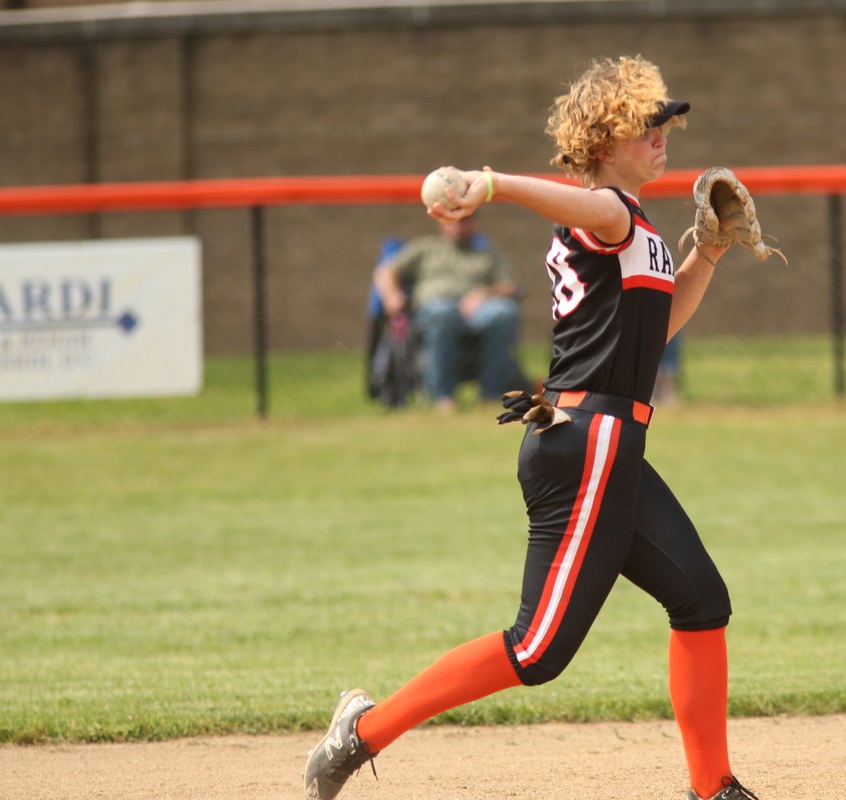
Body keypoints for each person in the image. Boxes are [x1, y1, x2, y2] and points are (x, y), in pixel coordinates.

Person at [304, 55, 758, 800]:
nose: (665, 134)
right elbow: (580, 208)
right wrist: (490, 185)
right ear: (607, 141)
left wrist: (705, 253)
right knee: (537, 650)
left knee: (702, 600)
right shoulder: (608, 210)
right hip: (586, 445)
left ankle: (714, 787)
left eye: (668, 122)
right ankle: (362, 731)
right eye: (649, 125)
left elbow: (656, 328)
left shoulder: (636, 228)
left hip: (612, 444)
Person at [374, 214, 524, 411]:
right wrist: (391, 295)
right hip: (435, 311)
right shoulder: (426, 248)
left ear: (475, 223)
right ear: (442, 222)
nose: (460, 226)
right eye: (455, 220)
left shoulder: (487, 252)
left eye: (467, 220)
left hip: (478, 313)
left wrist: (485, 293)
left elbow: (511, 287)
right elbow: (386, 272)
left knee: (505, 313)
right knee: (441, 313)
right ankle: (442, 398)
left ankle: (491, 395)